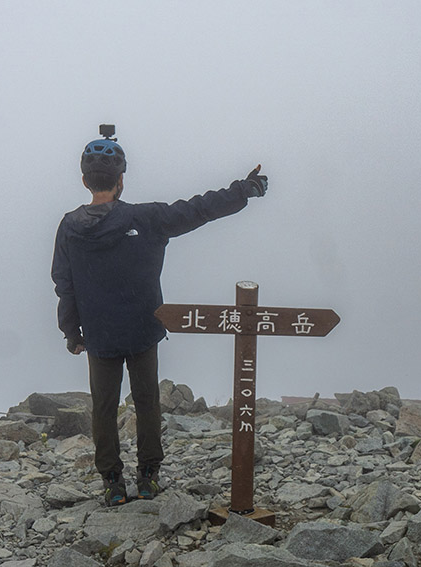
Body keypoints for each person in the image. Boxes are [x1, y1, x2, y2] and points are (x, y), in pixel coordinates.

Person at [51, 127, 268, 506]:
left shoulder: (69, 227)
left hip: (99, 336)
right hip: (143, 330)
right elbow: (199, 209)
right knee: (147, 401)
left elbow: (63, 283)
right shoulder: (147, 218)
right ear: (121, 180)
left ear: (84, 180)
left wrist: (72, 331)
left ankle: (112, 483)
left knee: (103, 406)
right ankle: (148, 476)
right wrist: (243, 190)